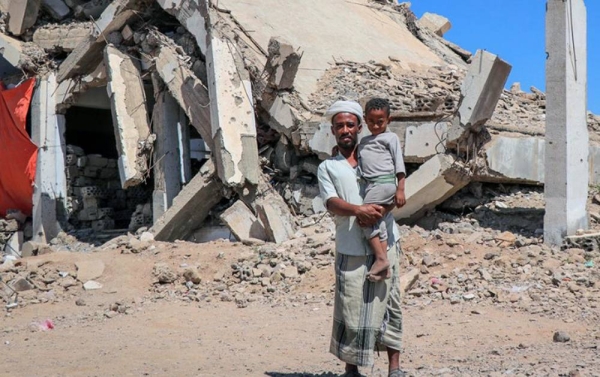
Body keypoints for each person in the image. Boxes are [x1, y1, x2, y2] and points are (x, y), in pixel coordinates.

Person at [317, 100, 404, 377]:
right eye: (339, 125)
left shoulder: (373, 151)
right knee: (351, 308)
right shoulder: (328, 167)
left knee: (390, 304)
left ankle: (395, 368)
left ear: (359, 127)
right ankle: (351, 369)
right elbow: (331, 202)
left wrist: (379, 209)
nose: (345, 130)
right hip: (351, 245)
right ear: (333, 130)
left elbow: (394, 179)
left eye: (350, 125)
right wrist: (358, 210)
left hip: (386, 241)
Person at [358, 98, 406, 282]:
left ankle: (379, 257)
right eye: (371, 121)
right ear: (365, 120)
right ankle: (384, 264)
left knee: (364, 217)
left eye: (380, 122)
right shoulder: (364, 141)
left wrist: (400, 190)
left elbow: (400, 166)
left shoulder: (390, 138)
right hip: (373, 185)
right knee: (378, 219)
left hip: (384, 183)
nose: (376, 125)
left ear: (389, 120)